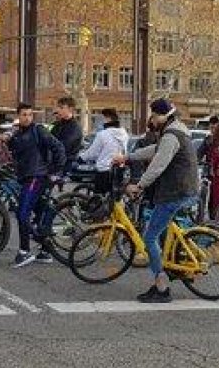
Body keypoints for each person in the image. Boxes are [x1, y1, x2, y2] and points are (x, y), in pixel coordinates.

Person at [113, 98, 199, 303]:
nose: (151, 120)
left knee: (149, 238)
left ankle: (162, 288)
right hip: (182, 189)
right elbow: (154, 150)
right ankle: (172, 265)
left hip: (175, 192)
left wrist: (139, 185)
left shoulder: (171, 135)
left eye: (153, 116)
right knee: (162, 232)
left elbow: (158, 164)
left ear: (163, 116)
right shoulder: (176, 130)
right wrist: (128, 157)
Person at [7, 102, 66, 267]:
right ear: (18, 116)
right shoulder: (18, 133)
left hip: (36, 177)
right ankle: (45, 251)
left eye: (30, 115)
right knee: (39, 214)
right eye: (24, 115)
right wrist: (7, 139)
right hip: (27, 177)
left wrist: (57, 170)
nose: (27, 118)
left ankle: (24, 252)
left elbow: (58, 147)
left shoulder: (38, 130)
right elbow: (15, 150)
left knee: (22, 213)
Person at [78, 108, 129, 195]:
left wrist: (81, 158)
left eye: (102, 118)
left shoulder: (103, 134)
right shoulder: (124, 133)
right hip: (119, 170)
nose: (101, 121)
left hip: (103, 171)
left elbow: (93, 152)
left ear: (107, 118)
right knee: (115, 197)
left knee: (100, 198)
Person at [50, 96, 83, 176]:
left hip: (66, 165)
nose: (58, 110)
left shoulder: (74, 127)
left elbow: (63, 145)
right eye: (58, 107)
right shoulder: (56, 125)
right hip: (54, 163)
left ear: (70, 109)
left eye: (61, 108)